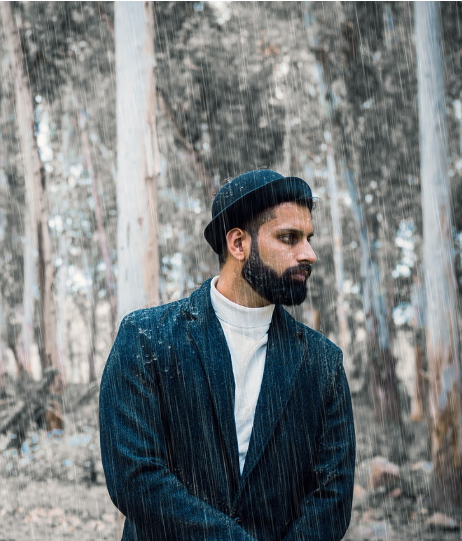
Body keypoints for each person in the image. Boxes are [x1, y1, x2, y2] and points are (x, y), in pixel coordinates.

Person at [100, 170, 355, 540]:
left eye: (309, 239)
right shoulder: (145, 338)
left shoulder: (323, 363)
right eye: (289, 238)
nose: (309, 254)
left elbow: (332, 496)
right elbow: (133, 477)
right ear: (238, 243)